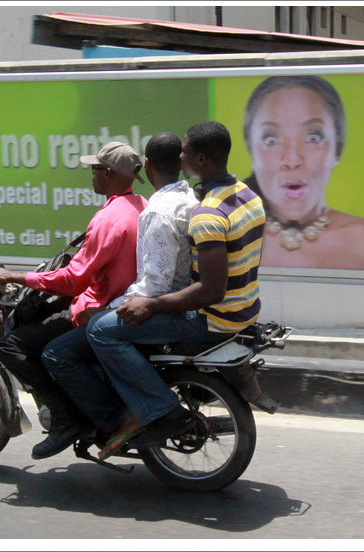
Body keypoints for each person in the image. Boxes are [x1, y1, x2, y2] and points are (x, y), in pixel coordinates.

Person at [82, 121, 266, 459]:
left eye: (183, 152)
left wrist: (151, 306)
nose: (178, 158)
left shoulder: (208, 213)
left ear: (198, 159)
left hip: (211, 318)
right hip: (245, 309)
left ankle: (157, 408)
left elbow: (209, 291)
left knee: (101, 331)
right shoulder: (247, 195)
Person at [0, 141, 148, 460]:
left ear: (108, 173)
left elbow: (73, 279)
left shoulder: (109, 219)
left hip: (104, 308)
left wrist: (15, 276)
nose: (91, 176)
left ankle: (67, 418)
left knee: (13, 345)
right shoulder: (140, 205)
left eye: (94, 169)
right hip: (121, 301)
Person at [40, 131, 200, 460]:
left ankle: (143, 412)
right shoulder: (184, 199)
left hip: (166, 307)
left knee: (92, 334)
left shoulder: (156, 211)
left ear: (151, 166)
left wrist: (106, 309)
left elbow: (154, 285)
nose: (94, 175)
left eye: (97, 169)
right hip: (179, 300)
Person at [242, 75, 364, 269]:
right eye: (271, 140)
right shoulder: (231, 237)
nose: (292, 160)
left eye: (312, 137)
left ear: (336, 148)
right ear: (252, 151)